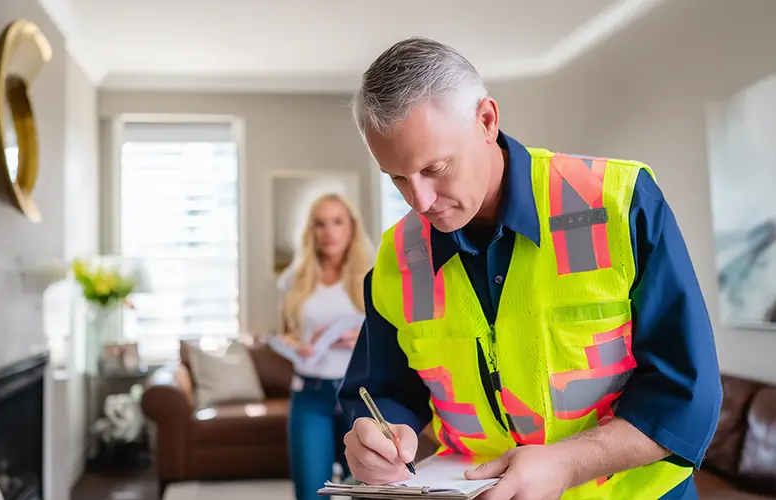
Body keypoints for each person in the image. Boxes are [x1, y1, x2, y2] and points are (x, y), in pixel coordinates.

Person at [337, 37, 722, 500]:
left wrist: (567, 463)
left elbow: (685, 395)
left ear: (486, 120)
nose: (419, 201)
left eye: (436, 168)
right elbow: (385, 390)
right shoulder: (396, 256)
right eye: (398, 178)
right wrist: (377, 439)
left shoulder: (619, 201)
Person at [276, 193, 374, 500]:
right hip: (310, 395)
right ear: (311, 232)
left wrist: (364, 338)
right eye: (320, 224)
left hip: (360, 395)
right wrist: (297, 345)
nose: (329, 232)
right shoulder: (296, 277)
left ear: (352, 228)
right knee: (311, 493)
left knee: (368, 492)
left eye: (337, 222)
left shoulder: (372, 275)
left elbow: (396, 337)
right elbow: (284, 333)